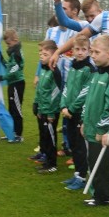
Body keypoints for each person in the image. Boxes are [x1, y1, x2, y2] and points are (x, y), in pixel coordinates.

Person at [82, 34, 109, 206]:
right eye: (92, 52)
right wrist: (84, 121)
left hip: (103, 133)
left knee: (102, 166)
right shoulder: (96, 73)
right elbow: (89, 100)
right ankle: (97, 193)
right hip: (91, 128)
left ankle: (103, 197)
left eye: (96, 52)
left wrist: (101, 130)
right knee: (93, 162)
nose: (92, 55)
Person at [60, 35, 93, 190]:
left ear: (89, 51)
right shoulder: (72, 67)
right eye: (77, 49)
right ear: (72, 51)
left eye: (83, 50)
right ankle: (76, 174)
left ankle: (82, 177)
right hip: (68, 112)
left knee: (80, 146)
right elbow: (66, 87)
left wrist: (72, 109)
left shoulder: (89, 69)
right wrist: (63, 106)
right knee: (72, 143)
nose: (80, 53)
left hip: (79, 113)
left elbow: (85, 92)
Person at [32, 39, 63, 174]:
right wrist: (38, 107)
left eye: (45, 54)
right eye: (40, 54)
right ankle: (46, 160)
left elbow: (56, 94)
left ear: (52, 56)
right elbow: (40, 91)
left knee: (51, 138)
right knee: (44, 136)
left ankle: (52, 164)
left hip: (51, 111)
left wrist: (50, 113)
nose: (41, 56)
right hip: (43, 109)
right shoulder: (43, 70)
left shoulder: (54, 71)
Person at [0, 28, 25, 143]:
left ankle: (18, 134)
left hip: (17, 84)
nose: (7, 46)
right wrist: (2, 60)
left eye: (8, 43)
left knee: (16, 110)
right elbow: (10, 65)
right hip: (12, 84)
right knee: (11, 108)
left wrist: (2, 77)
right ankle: (11, 133)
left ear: (15, 40)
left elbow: (15, 69)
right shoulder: (13, 52)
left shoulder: (17, 53)